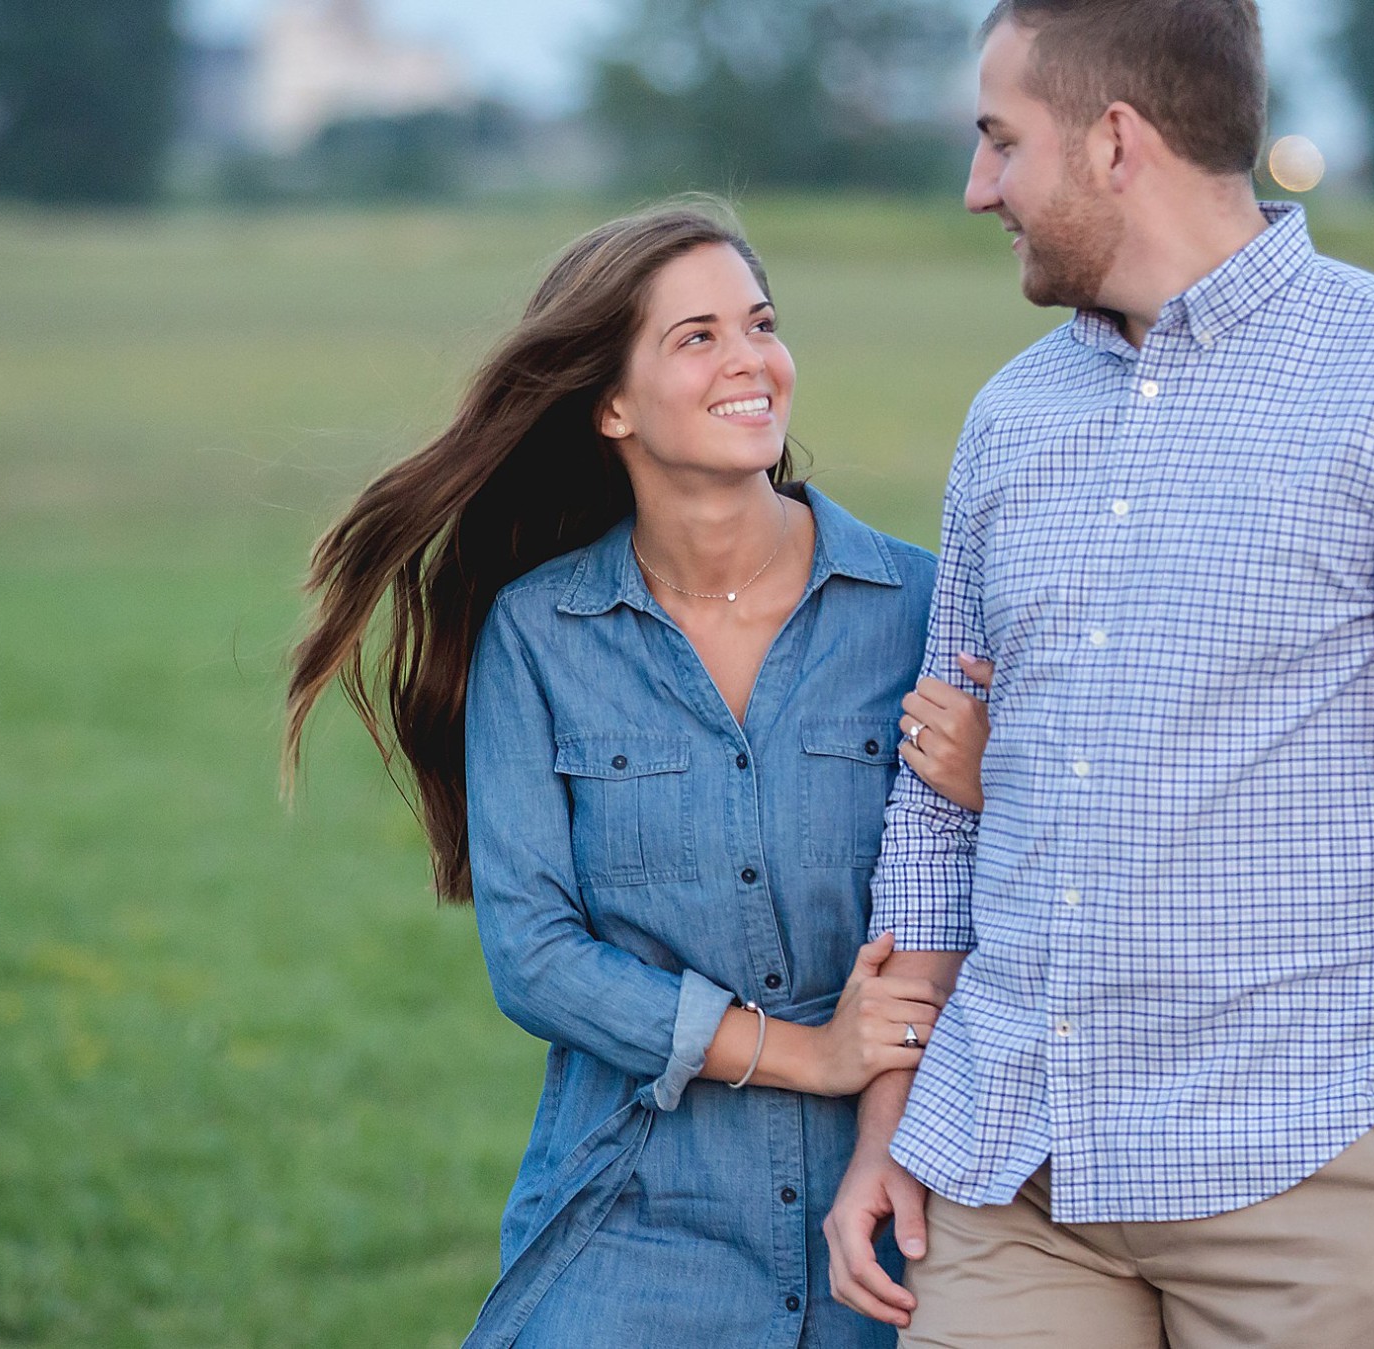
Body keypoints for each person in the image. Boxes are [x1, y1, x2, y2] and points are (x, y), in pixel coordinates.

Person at [824, 2, 1374, 1346]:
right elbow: (936, 802)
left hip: (1303, 1184)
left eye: (1001, 141)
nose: (978, 190)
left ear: (1114, 143)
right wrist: (892, 1128)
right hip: (1013, 1175)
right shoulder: (1012, 415)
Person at [283, 200, 990, 1347]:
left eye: (758, 323)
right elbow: (536, 956)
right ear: (609, 405)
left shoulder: (919, 605)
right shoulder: (538, 634)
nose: (749, 359)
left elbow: (1027, 875)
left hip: (900, 1204)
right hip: (635, 1205)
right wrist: (804, 1050)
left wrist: (993, 781)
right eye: (695, 336)